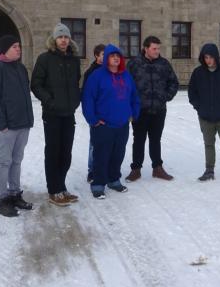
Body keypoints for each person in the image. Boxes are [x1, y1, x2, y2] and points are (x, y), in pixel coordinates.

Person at [31, 23, 82, 207]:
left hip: (69, 113)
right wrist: (50, 101)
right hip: (52, 114)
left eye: (66, 37)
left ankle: (61, 186)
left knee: (66, 153)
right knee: (53, 152)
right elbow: (36, 84)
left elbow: (76, 83)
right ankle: (54, 190)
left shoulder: (74, 60)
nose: (63, 40)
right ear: (54, 39)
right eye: (60, 37)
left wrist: (75, 100)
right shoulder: (44, 59)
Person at [82, 44, 140, 199]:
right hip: (103, 125)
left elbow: (134, 96)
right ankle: (98, 184)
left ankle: (114, 180)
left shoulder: (126, 75)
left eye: (118, 56)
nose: (116, 58)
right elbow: (88, 99)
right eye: (112, 55)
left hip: (122, 124)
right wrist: (92, 119)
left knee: (118, 154)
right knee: (101, 155)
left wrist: (134, 113)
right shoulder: (97, 76)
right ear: (106, 58)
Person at [0, 35, 35, 217]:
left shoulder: (21, 68)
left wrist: (29, 120)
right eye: (15, 46)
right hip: (6, 127)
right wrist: (0, 123)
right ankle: (1, 200)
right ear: (5, 49)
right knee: (4, 161)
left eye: (19, 46)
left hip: (22, 124)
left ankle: (14, 194)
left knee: (17, 161)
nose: (19, 49)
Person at [125, 36, 179, 181]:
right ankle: (136, 169)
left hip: (159, 110)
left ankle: (157, 168)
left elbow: (174, 82)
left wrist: (165, 97)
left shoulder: (164, 64)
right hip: (140, 110)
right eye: (154, 48)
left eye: (158, 48)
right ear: (146, 48)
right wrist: (132, 104)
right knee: (139, 140)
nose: (157, 51)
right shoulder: (134, 64)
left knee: (156, 139)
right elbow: (126, 86)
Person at [187, 43, 220, 185]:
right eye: (206, 57)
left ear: (216, 57)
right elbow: (192, 93)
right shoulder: (198, 73)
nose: (208, 60)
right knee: (208, 144)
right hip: (205, 117)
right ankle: (209, 170)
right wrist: (199, 107)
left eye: (211, 57)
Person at [82, 44, 106, 183]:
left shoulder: (111, 71)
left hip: (109, 114)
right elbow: (87, 97)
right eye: (103, 54)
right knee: (94, 144)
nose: (106, 57)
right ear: (96, 56)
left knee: (108, 144)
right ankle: (92, 171)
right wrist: (92, 117)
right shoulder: (91, 72)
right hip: (97, 115)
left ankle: (105, 169)